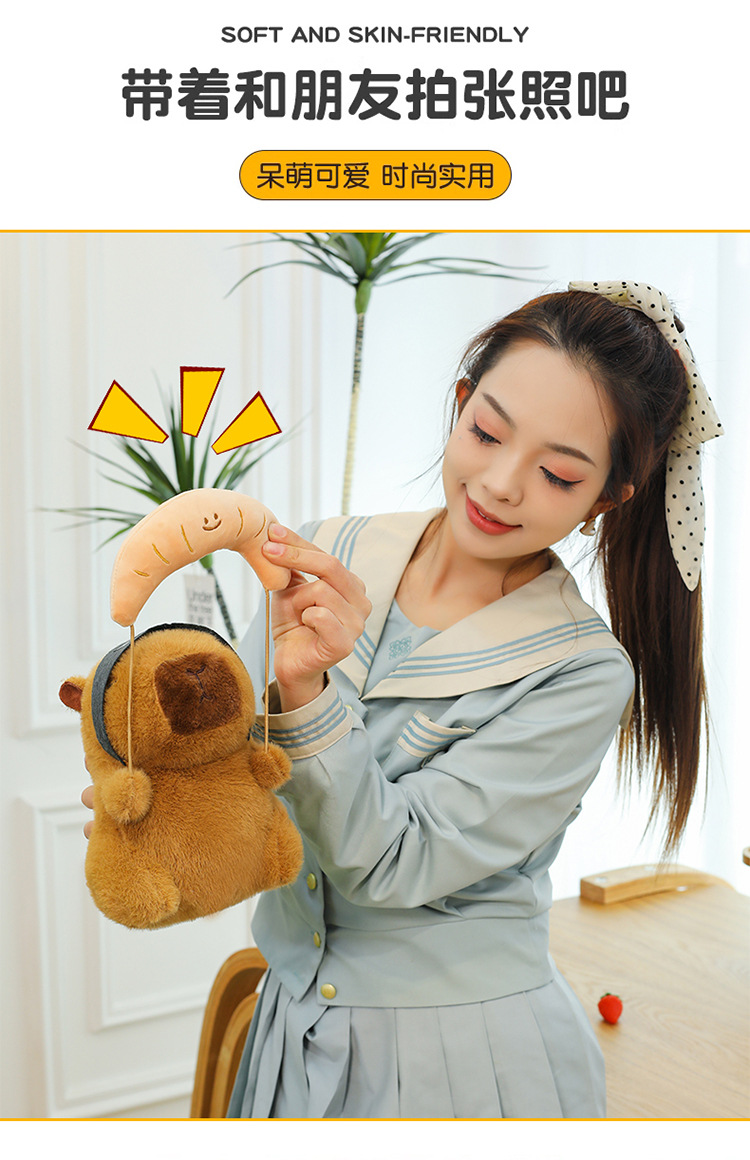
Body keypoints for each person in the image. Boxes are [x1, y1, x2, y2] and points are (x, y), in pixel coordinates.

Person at [86, 281, 722, 1118]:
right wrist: (162, 786)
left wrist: (306, 691)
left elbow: (394, 861)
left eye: (558, 474)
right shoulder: (325, 551)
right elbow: (249, 781)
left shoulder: (580, 674)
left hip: (458, 1065)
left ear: (605, 498)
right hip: (290, 1026)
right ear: (460, 404)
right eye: (486, 432)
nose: (500, 483)